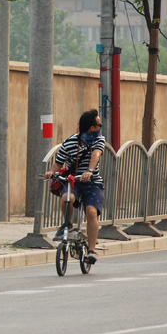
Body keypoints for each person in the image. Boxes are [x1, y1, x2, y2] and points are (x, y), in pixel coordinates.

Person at [44, 109, 105, 264]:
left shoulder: (99, 140)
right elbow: (59, 161)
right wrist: (52, 172)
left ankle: (91, 250)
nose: (100, 128)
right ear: (92, 127)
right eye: (99, 125)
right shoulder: (70, 142)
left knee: (91, 212)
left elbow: (95, 155)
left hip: (92, 182)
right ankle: (68, 225)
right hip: (74, 181)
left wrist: (90, 171)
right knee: (67, 198)